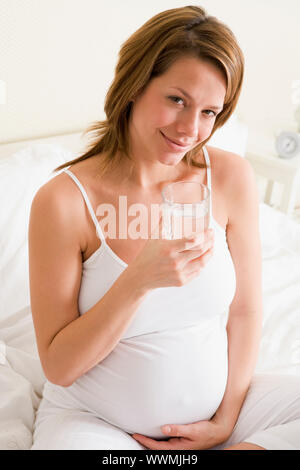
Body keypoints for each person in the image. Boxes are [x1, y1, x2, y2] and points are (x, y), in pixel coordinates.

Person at [29, 6, 300, 450]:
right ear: (134, 85)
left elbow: (246, 310)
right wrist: (138, 280)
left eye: (210, 112)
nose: (191, 129)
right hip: (96, 421)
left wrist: (226, 422)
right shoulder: (62, 201)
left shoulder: (230, 177)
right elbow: (58, 366)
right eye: (177, 100)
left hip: (219, 417)